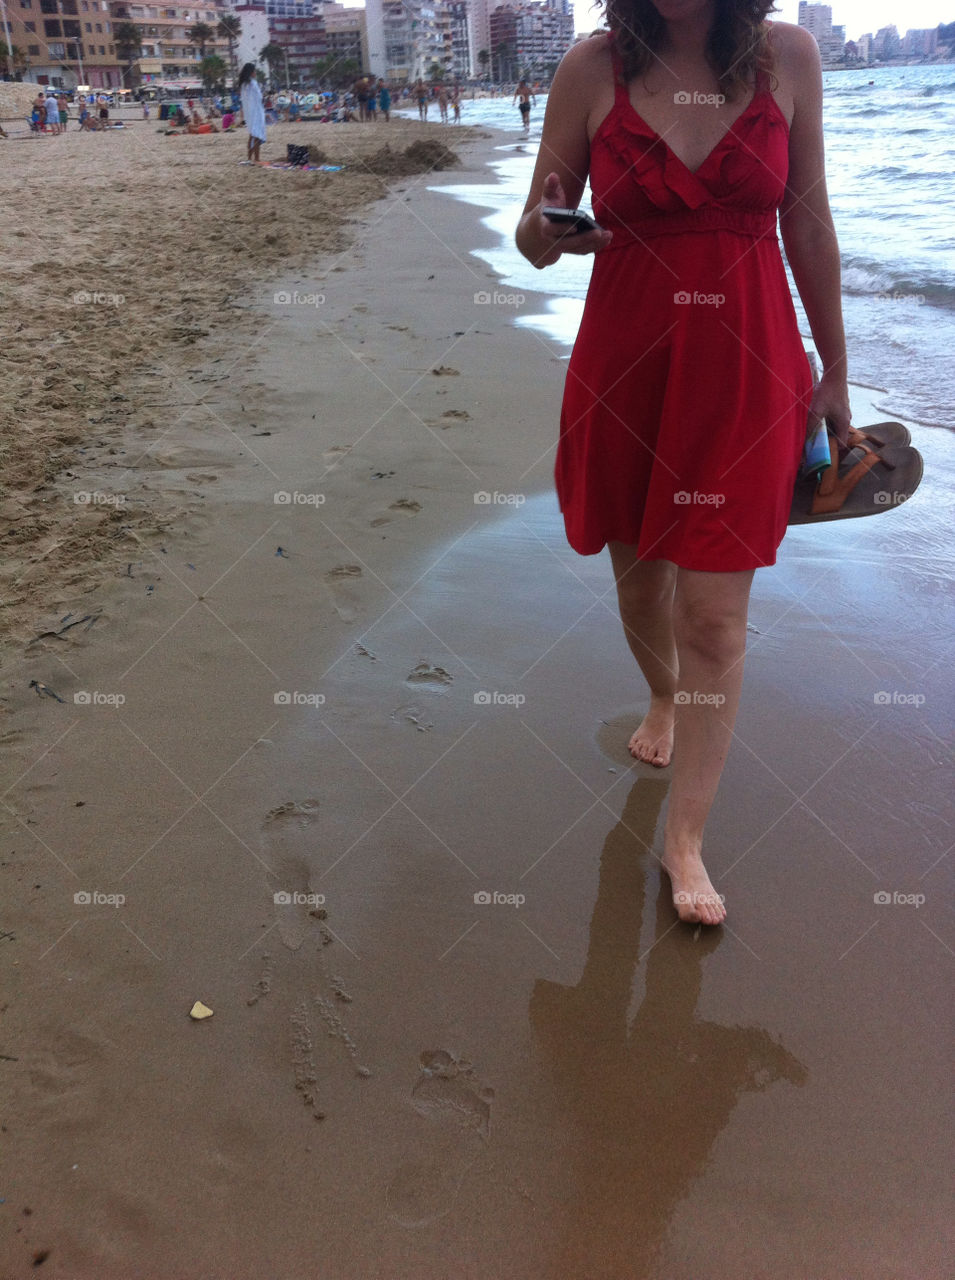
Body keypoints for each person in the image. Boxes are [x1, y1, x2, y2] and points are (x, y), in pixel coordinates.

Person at [515, 0, 849, 926]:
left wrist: (836, 372)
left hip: (745, 363)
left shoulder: (789, 57)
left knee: (714, 622)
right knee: (640, 588)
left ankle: (685, 840)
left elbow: (808, 223)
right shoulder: (590, 69)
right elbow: (530, 239)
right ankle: (662, 698)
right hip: (627, 365)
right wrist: (555, 226)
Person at [238, 62, 266, 163]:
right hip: (256, 112)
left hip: (249, 113)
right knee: (257, 135)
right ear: (251, 72)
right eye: (254, 71)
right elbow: (259, 97)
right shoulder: (252, 83)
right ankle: (257, 158)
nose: (255, 72)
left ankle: (250, 158)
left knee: (252, 135)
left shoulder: (243, 84)